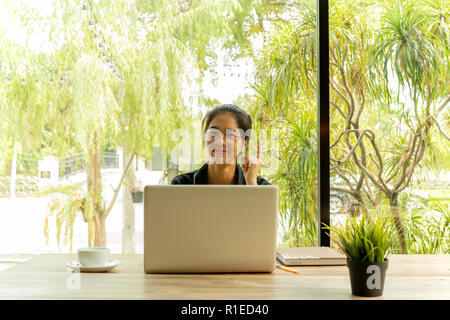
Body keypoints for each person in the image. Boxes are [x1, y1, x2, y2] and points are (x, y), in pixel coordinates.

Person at [171, 104, 271, 185]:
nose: (220, 142)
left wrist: (251, 184)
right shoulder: (182, 184)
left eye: (231, 135)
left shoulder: (259, 186)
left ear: (244, 144)